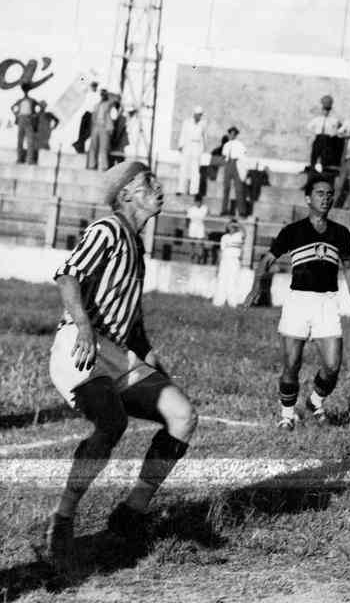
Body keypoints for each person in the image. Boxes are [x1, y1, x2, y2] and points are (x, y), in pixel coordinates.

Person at [45, 160, 198, 570]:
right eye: (149, 183)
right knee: (112, 423)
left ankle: (131, 512)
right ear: (127, 192)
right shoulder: (108, 229)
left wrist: (155, 365)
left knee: (182, 415)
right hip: (80, 345)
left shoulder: (137, 244)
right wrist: (83, 326)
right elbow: (66, 275)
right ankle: (62, 519)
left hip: (120, 353)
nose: (159, 188)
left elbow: (134, 325)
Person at [243, 174, 350, 429]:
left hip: (327, 303)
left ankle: (314, 401)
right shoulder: (293, 231)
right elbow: (266, 260)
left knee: (332, 366)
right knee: (292, 364)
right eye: (320, 193)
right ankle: (286, 416)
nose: (326, 198)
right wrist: (256, 287)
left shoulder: (341, 233)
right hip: (298, 302)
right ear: (308, 199)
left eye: (330, 194)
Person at [212, 218, 246, 306]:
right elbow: (221, 251)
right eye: (230, 226)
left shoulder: (239, 235)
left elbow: (244, 232)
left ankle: (232, 303)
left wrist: (237, 224)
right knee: (222, 280)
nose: (232, 228)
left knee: (233, 281)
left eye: (233, 226)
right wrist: (218, 265)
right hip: (225, 260)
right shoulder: (224, 237)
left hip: (234, 260)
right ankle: (219, 302)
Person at [307, 95, 343, 174]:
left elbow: (340, 129)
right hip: (318, 138)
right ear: (322, 110)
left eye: (328, 110)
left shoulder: (334, 120)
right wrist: (314, 134)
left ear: (330, 110)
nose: (326, 112)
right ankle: (312, 172)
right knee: (314, 156)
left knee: (325, 158)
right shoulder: (317, 119)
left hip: (327, 139)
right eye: (325, 110)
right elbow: (309, 127)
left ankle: (323, 173)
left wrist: (334, 134)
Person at [177, 106, 208, 196]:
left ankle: (194, 191)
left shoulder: (203, 124)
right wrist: (181, 145)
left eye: (200, 115)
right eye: (197, 115)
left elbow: (204, 137)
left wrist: (203, 149)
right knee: (184, 168)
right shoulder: (187, 122)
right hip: (187, 145)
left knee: (195, 170)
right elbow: (183, 133)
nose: (199, 116)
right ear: (194, 114)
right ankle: (181, 189)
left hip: (197, 146)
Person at [219, 127, 248, 217]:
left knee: (239, 189)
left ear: (236, 135)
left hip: (236, 165)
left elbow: (243, 156)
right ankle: (224, 210)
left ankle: (242, 211)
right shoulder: (226, 145)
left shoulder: (240, 145)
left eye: (233, 134)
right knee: (226, 188)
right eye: (230, 134)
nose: (232, 135)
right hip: (228, 165)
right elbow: (224, 155)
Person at [86, 89, 115, 171]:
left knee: (103, 147)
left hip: (104, 127)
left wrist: (108, 95)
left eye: (104, 94)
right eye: (102, 94)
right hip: (96, 126)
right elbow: (93, 116)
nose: (103, 95)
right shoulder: (97, 105)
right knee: (93, 146)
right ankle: (92, 165)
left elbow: (115, 99)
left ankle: (104, 166)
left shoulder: (109, 104)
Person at [10, 84, 38, 164]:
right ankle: (19, 158)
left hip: (28, 119)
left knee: (30, 140)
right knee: (20, 140)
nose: (26, 92)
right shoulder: (21, 100)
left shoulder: (32, 100)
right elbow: (12, 107)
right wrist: (16, 114)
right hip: (21, 119)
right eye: (25, 91)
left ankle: (30, 159)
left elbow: (39, 107)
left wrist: (34, 115)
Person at [73, 80, 99, 154]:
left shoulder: (98, 95)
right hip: (86, 113)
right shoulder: (88, 93)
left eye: (95, 86)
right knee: (82, 132)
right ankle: (80, 148)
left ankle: (78, 144)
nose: (94, 87)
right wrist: (83, 80)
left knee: (89, 132)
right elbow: (82, 84)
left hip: (93, 114)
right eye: (93, 86)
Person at [185, 194, 209, 264]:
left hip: (201, 226)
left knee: (200, 243)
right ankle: (191, 258)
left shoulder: (205, 208)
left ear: (201, 201)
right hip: (192, 226)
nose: (198, 203)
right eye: (196, 201)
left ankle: (199, 259)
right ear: (195, 202)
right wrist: (187, 227)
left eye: (199, 201)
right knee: (192, 243)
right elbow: (187, 219)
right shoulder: (191, 209)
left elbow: (208, 217)